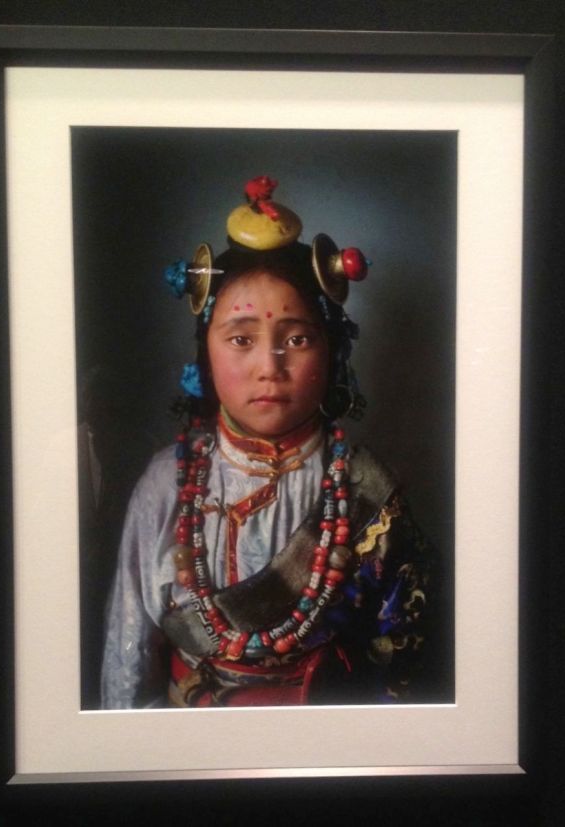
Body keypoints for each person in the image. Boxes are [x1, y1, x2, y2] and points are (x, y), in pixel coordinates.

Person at [101, 177, 439, 708]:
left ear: (331, 354)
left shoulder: (368, 492)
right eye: (240, 339)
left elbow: (406, 670)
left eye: (297, 339)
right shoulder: (166, 483)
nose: (269, 367)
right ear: (205, 354)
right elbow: (127, 655)